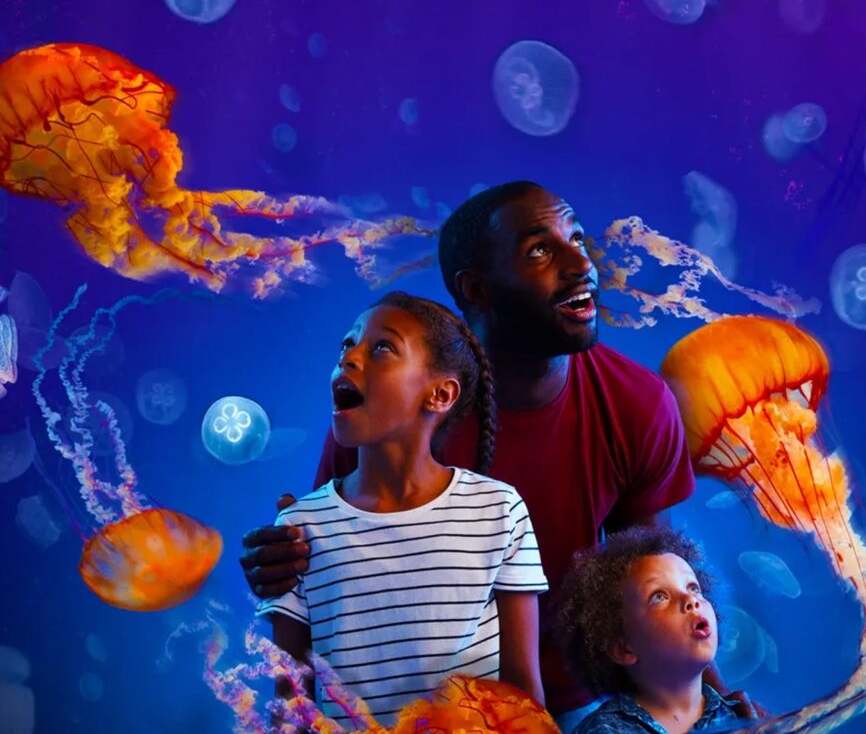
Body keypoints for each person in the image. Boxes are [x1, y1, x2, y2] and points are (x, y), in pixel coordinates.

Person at [242, 181, 745, 728]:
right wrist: (285, 559)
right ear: (477, 291)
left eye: (576, 238)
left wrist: (712, 701)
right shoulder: (395, 413)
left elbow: (650, 580)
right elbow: (323, 573)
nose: (583, 263)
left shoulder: (639, 405)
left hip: (577, 707)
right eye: (540, 250)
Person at [256, 291, 547, 727]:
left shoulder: (499, 510)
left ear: (441, 394)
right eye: (346, 345)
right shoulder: (300, 528)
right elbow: (290, 700)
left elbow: (523, 686)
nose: (349, 357)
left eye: (382, 347)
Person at [557, 527, 751, 733]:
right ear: (623, 648)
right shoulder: (603, 731)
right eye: (659, 596)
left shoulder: (735, 718)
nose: (691, 600)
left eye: (693, 587)